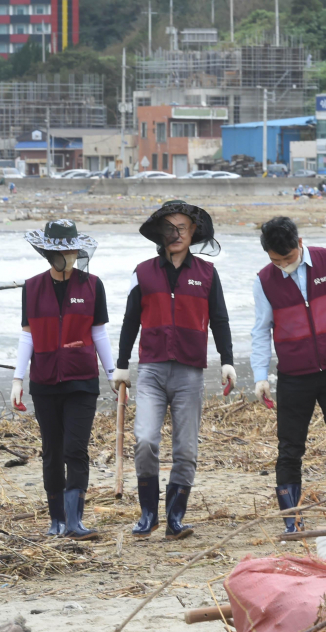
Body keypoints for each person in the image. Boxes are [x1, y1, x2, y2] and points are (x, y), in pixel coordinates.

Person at [113, 200, 235, 542]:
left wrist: (227, 359)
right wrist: (121, 365)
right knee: (146, 440)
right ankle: (148, 514)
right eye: (170, 227)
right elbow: (129, 320)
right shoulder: (143, 272)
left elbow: (220, 320)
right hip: (151, 370)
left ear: (193, 231)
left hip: (190, 373)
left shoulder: (207, 274)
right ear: (160, 233)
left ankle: (175, 518)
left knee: (186, 450)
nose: (176, 233)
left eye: (182, 227)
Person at [252, 217, 326, 556]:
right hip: (294, 375)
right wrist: (260, 375)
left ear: (300, 243)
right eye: (276, 261)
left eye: (288, 258)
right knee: (290, 449)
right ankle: (291, 518)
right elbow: (260, 329)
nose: (284, 266)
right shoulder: (264, 280)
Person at [11, 220, 114, 541]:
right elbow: (27, 335)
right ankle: (56, 521)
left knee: (75, 449)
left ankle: (75, 521)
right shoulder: (32, 286)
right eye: (58, 250)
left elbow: (99, 332)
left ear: (76, 249)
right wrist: (18, 378)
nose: (65, 255)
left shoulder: (92, 285)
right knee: (52, 450)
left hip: (82, 380)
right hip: (44, 381)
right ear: (47, 251)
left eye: (69, 249)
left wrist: (113, 373)